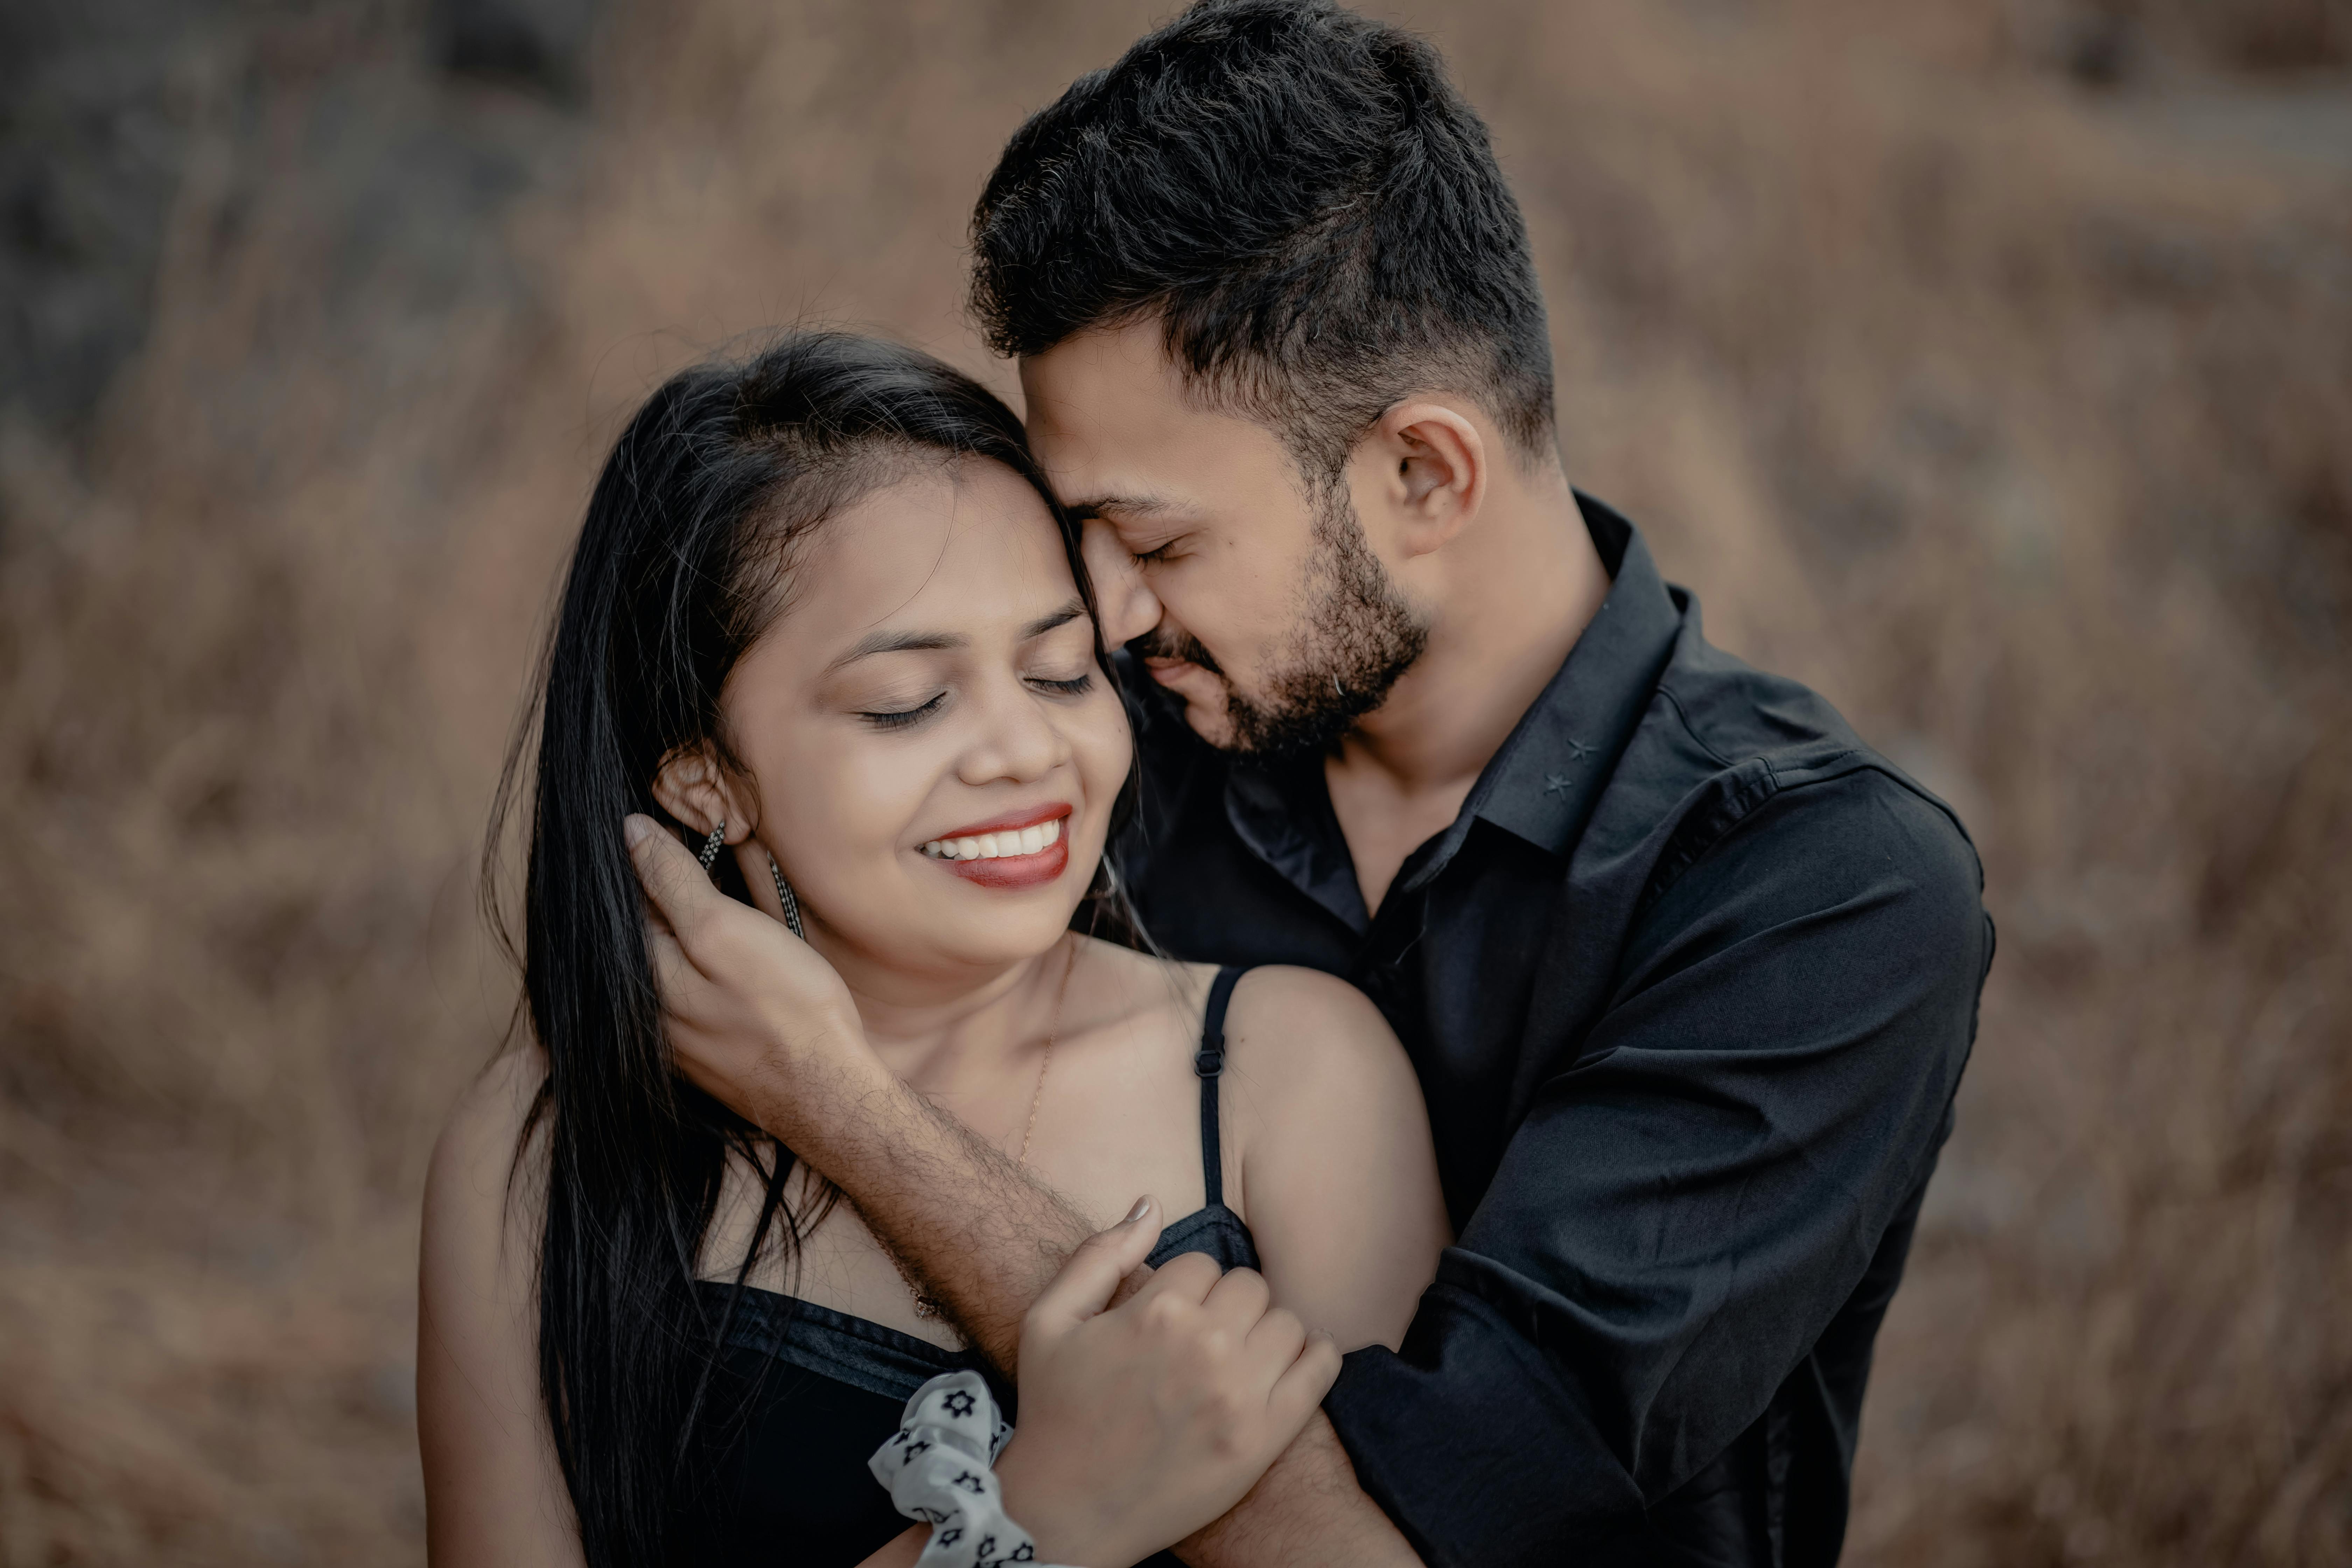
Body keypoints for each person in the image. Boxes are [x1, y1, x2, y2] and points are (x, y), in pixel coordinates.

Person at [653, 4, 1997, 1567]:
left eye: (1155, 542)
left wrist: (850, 1112)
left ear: (1423, 474)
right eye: (1079, 534)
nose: (1103, 617)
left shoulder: (1821, 891)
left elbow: (1408, 1533)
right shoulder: (1107, 748)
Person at [414, 331, 1450, 1568]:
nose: (1024, 751)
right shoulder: (539, 1148)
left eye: (1061, 674)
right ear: (707, 782)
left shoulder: (1292, 1072)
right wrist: (1031, 1518)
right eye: (910, 702)